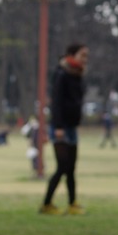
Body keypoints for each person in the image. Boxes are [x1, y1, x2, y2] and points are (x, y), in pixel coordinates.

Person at [39, 43, 88, 215]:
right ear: (72, 55)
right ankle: (46, 204)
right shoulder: (61, 74)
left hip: (72, 126)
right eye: (82, 55)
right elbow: (57, 102)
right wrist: (58, 126)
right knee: (62, 167)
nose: (85, 59)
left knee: (71, 168)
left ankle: (72, 203)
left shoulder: (78, 75)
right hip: (61, 127)